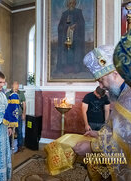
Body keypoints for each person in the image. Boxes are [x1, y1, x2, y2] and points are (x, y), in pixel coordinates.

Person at [73, 44, 131, 180]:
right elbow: (121, 131)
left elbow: (127, 141)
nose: (101, 86)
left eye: (101, 80)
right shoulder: (124, 94)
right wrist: (99, 134)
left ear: (115, 74)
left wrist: (92, 146)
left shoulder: (128, 99)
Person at [57, 0, 85, 73]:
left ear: (75, 4)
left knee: (77, 51)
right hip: (66, 37)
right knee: (66, 51)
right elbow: (60, 26)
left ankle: (77, 67)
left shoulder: (79, 12)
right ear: (67, 5)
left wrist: (76, 25)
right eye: (70, 3)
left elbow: (82, 23)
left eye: (73, 3)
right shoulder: (64, 14)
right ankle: (65, 67)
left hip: (76, 37)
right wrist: (66, 27)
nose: (71, 4)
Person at [6, 81, 26, 152]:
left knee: (19, 131)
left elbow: (24, 104)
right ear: (12, 86)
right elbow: (6, 105)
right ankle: (9, 146)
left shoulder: (21, 94)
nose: (16, 87)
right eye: (15, 86)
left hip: (19, 115)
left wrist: (23, 113)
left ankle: (20, 146)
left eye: (17, 86)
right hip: (11, 116)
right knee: (10, 131)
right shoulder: (8, 94)